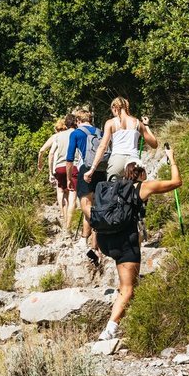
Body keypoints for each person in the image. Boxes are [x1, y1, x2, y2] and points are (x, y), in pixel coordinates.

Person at [94, 148, 182, 341]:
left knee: (127, 284)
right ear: (141, 172)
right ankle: (110, 329)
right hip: (125, 241)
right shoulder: (143, 187)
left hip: (105, 241)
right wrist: (172, 159)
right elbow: (177, 182)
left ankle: (129, 314)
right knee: (128, 288)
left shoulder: (112, 187)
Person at [84, 97, 158, 185]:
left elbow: (102, 147)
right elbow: (154, 144)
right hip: (133, 161)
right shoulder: (138, 123)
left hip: (117, 160)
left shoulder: (110, 123)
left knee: (113, 192)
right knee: (135, 192)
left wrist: (92, 169)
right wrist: (146, 125)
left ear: (115, 108)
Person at [66, 106, 103, 266]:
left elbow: (69, 159)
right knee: (94, 205)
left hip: (86, 169)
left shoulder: (76, 133)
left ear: (78, 121)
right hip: (101, 169)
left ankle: (99, 227)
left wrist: (69, 178)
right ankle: (91, 244)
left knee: (85, 205)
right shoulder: (100, 132)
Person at [36, 116, 76, 217]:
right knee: (69, 191)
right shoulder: (71, 135)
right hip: (71, 165)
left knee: (60, 190)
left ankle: (63, 213)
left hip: (57, 166)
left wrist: (41, 164)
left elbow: (45, 151)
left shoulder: (56, 137)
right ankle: (68, 214)